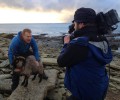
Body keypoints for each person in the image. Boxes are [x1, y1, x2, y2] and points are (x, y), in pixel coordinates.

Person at [57, 8, 113, 100]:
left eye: (75, 23)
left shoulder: (80, 45)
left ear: (81, 24)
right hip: (99, 88)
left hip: (84, 93)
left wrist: (66, 44)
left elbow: (61, 61)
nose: (74, 26)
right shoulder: (102, 40)